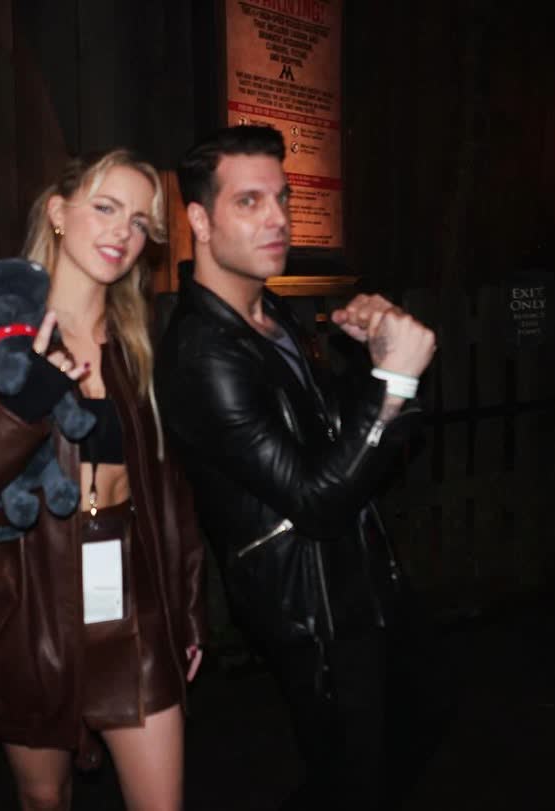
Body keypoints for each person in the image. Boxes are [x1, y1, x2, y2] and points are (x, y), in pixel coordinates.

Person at [0, 149, 206, 811]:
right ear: (59, 213)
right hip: (30, 599)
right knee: (44, 797)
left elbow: (168, 492)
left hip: (133, 599)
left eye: (139, 221)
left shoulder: (134, 345)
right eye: (106, 207)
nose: (123, 231)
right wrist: (16, 410)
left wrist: (187, 607)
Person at [155, 126, 437, 808]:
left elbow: (333, 438)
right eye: (249, 201)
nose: (278, 217)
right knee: (356, 778)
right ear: (200, 220)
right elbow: (315, 498)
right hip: (312, 611)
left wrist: (374, 359)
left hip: (358, 579)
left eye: (280, 198)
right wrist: (396, 382)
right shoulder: (203, 354)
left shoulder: (270, 313)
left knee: (413, 725)